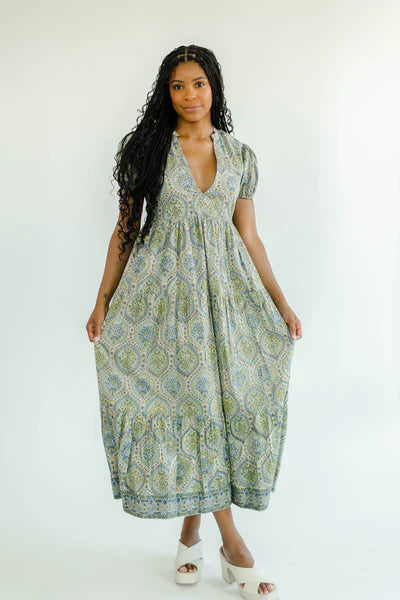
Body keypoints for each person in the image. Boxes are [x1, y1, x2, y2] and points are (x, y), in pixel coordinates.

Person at [86, 44, 302, 599]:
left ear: (214, 88)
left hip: (226, 298)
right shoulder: (148, 151)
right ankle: (234, 546)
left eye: (198, 83)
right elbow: (126, 231)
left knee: (217, 409)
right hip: (165, 300)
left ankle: (189, 535)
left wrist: (280, 301)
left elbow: (248, 235)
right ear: (166, 92)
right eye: (178, 85)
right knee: (192, 405)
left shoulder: (240, 155)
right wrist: (103, 298)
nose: (189, 95)